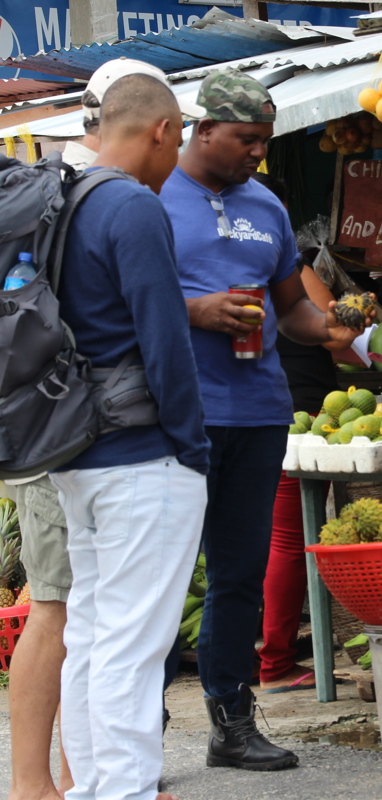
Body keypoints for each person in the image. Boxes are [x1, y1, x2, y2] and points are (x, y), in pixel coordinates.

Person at [159, 70, 372, 770]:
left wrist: (339, 323)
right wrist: (197, 311)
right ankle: (136, 724)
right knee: (157, 575)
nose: (258, 153)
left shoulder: (267, 207)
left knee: (240, 573)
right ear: (204, 129)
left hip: (258, 412)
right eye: (247, 140)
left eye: (265, 141)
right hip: (176, 415)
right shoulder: (151, 195)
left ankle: (232, 720)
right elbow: (120, 302)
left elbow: (294, 313)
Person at [5, 57, 200, 800]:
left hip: (76, 453)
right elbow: (166, 340)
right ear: (162, 129)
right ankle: (119, 790)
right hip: (141, 457)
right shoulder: (132, 208)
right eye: (177, 141)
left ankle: (90, 787)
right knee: (132, 645)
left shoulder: (59, 200)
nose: (175, 159)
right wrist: (193, 449)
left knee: (90, 632)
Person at [249, 172, 345, 694]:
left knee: (273, 539)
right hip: (300, 414)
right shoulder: (291, 267)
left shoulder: (243, 263)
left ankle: (268, 658)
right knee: (287, 541)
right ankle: (276, 663)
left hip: (279, 411)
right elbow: (333, 325)